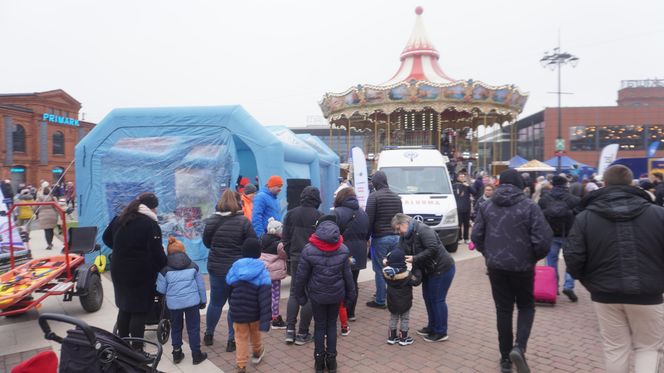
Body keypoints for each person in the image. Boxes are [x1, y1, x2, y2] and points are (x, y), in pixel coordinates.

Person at [564, 165, 664, 373]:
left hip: (605, 292)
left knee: (615, 348)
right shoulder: (657, 214)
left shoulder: (585, 217)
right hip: (649, 291)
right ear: (631, 183)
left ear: (605, 183)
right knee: (649, 347)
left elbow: (573, 256)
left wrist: (588, 281)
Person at [471, 169, 553, 373]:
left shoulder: (487, 205)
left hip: (496, 266)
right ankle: (519, 347)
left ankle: (506, 358)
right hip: (522, 266)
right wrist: (532, 257)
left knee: (503, 309)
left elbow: (477, 236)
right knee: (526, 306)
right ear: (519, 185)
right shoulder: (529, 206)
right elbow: (543, 240)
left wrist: (489, 255)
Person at [102, 192, 167, 351]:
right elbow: (157, 254)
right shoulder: (150, 224)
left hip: (118, 269)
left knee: (124, 307)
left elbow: (106, 238)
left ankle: (122, 345)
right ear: (152, 207)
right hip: (140, 273)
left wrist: (121, 251)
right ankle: (137, 350)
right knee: (139, 310)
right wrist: (164, 266)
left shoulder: (121, 218)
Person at [294, 216, 356, 373]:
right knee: (331, 326)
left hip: (317, 296)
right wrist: (350, 298)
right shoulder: (343, 249)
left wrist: (300, 296)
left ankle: (319, 361)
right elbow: (349, 278)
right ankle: (332, 361)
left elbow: (301, 277)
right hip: (336, 295)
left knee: (320, 326)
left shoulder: (309, 249)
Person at [202, 189, 257, 351]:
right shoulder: (244, 222)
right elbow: (252, 243)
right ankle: (231, 340)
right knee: (234, 305)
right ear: (238, 202)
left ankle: (209, 334)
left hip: (216, 268)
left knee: (216, 303)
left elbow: (207, 243)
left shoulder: (211, 220)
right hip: (237, 269)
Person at [392, 213, 456, 343]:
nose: (398, 233)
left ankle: (441, 332)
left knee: (437, 300)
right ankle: (432, 327)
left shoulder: (423, 230)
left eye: (399, 229)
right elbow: (399, 250)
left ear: (405, 223)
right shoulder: (406, 236)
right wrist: (389, 259)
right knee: (428, 298)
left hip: (441, 269)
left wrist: (415, 258)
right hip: (429, 270)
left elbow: (433, 248)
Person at [156, 237, 208, 365]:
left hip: (174, 305)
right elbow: (201, 286)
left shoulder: (165, 269)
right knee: (193, 328)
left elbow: (161, 290)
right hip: (192, 303)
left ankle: (177, 353)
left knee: (176, 328)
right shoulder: (193, 266)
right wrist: (203, 301)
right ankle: (196, 355)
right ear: (184, 251)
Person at [282, 186, 323, 345]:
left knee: (294, 293)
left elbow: (285, 238)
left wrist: (291, 253)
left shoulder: (291, 214)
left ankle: (290, 330)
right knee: (310, 294)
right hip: (313, 259)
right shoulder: (320, 216)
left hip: (296, 258)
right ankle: (303, 332)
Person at [226, 238, 271, 373]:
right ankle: (257, 352)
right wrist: (265, 320)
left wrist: (233, 304)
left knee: (240, 337)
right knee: (255, 333)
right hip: (255, 312)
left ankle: (241, 365)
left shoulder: (235, 267)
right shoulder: (262, 270)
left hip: (238, 311)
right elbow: (265, 298)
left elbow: (229, 286)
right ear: (259, 253)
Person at [538, 175, 581, 302]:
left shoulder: (544, 199)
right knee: (571, 261)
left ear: (552, 184)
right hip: (569, 234)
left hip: (551, 235)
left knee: (551, 262)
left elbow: (540, 217)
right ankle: (568, 285)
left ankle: (553, 286)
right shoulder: (573, 199)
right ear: (565, 185)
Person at [365, 170, 403, 309]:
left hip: (380, 238)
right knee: (394, 268)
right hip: (396, 238)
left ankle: (380, 300)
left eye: (372, 180)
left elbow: (368, 220)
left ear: (376, 182)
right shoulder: (396, 197)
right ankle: (394, 298)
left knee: (380, 269)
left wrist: (366, 237)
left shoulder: (374, 197)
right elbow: (401, 218)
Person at [332, 187, 370, 322]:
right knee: (353, 282)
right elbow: (367, 232)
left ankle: (340, 311)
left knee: (339, 281)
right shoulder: (363, 213)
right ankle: (351, 312)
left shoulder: (337, 213)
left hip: (341, 251)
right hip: (359, 252)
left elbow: (332, 233)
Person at [382, 248, 422, 346]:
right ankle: (403, 338)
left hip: (392, 301)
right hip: (405, 302)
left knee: (393, 317)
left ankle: (392, 337)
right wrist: (416, 269)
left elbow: (387, 265)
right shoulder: (407, 275)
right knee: (404, 318)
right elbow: (416, 281)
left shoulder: (387, 274)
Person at [259, 218, 287, 329]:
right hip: (274, 275)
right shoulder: (279, 244)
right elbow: (284, 255)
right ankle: (275, 318)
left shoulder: (261, 238)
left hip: (263, 272)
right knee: (275, 296)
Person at [452, 173, 472, 244]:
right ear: (458, 178)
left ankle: (466, 238)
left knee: (466, 223)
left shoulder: (467, 186)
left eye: (463, 177)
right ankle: (459, 238)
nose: (462, 178)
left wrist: (468, 186)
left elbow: (474, 192)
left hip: (467, 207)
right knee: (459, 224)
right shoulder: (454, 185)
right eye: (461, 177)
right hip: (458, 208)